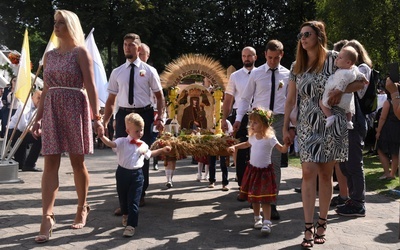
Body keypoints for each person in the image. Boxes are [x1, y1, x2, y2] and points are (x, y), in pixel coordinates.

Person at [282, 21, 364, 248]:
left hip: (331, 122)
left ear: (318, 36)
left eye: (307, 34)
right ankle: (308, 227)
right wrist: (286, 126)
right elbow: (290, 99)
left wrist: (341, 89)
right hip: (307, 124)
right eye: (300, 35)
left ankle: (322, 223)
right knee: (308, 172)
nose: (303, 38)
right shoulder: (296, 65)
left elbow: (360, 81)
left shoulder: (336, 58)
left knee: (326, 175)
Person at [31, 9, 104, 243]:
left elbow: (91, 87)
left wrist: (97, 118)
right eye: (55, 22)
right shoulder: (49, 56)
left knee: (77, 161)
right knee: (50, 161)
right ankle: (47, 216)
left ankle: (82, 206)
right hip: (52, 107)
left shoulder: (81, 52)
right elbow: (47, 90)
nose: (56, 26)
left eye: (61, 22)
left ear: (71, 26)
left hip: (75, 106)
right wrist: (38, 117)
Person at [103, 33, 165, 208]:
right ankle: (124, 199)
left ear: (138, 48)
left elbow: (160, 97)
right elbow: (110, 100)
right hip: (123, 115)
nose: (127, 47)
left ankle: (139, 194)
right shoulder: (117, 72)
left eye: (131, 45)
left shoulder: (149, 71)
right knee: (123, 155)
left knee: (141, 155)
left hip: (143, 115)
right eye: (125, 44)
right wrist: (105, 121)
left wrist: (159, 117)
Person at [233, 40, 290, 220]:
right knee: (256, 160)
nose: (273, 61)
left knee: (274, 161)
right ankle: (255, 195)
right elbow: (245, 98)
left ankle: (271, 202)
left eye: (276, 58)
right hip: (258, 119)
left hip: (278, 119)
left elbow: (291, 101)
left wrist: (292, 125)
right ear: (265, 54)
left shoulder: (287, 74)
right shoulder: (256, 73)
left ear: (282, 55)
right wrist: (238, 119)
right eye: (270, 57)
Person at [98, 113, 171, 237]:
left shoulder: (143, 144)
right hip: (122, 173)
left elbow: (150, 154)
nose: (140, 133)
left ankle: (131, 226)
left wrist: (162, 150)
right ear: (128, 130)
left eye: (141, 130)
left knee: (134, 200)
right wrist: (102, 137)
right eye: (137, 131)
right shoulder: (121, 141)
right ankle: (125, 214)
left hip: (137, 175)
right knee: (123, 198)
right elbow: (111, 144)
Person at [228, 108, 289, 235]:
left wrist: (287, 145)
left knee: (266, 199)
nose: (252, 125)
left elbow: (282, 150)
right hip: (253, 171)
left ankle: (267, 222)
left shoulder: (270, 138)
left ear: (264, 123)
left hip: (265, 172)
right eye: (251, 123)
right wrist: (235, 146)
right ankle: (257, 218)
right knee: (254, 198)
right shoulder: (253, 137)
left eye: (255, 122)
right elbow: (246, 144)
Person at [334, 40, 372, 218]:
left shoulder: (362, 69)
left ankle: (358, 203)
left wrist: (337, 89)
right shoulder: (345, 71)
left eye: (343, 54)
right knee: (344, 164)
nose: (339, 57)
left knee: (354, 163)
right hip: (345, 121)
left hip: (355, 122)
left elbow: (360, 85)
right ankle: (351, 199)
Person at [222, 46, 256, 193]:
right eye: (244, 56)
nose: (246, 58)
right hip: (239, 116)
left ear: (255, 57)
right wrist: (224, 119)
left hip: (259, 116)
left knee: (257, 149)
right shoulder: (235, 76)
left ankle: (256, 184)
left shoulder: (261, 73)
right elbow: (228, 99)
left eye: (249, 56)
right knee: (241, 151)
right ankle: (242, 185)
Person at [319, 46, 367, 129]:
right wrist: (364, 78)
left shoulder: (344, 73)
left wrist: (337, 92)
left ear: (348, 62)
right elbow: (359, 75)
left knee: (322, 102)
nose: (336, 59)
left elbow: (342, 84)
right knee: (348, 110)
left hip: (335, 93)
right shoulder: (353, 69)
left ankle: (329, 116)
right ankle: (349, 121)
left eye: (339, 58)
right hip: (347, 99)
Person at [9, 89, 42, 172]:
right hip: (14, 133)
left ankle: (29, 164)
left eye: (42, 99)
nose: (40, 101)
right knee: (20, 164)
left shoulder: (39, 109)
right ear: (32, 97)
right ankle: (28, 164)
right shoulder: (25, 106)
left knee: (21, 165)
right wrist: (34, 131)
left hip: (25, 134)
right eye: (38, 98)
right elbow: (23, 126)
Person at [139, 43, 159, 171]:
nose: (140, 57)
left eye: (142, 54)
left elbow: (158, 95)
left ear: (148, 55)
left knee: (152, 141)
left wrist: (160, 115)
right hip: (135, 111)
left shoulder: (151, 72)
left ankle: (154, 161)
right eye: (138, 54)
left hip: (151, 111)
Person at [375, 89, 400, 180]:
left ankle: (386, 172)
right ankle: (393, 173)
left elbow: (382, 118)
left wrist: (378, 131)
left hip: (388, 129)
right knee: (395, 152)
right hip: (398, 129)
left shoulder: (388, 102)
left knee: (380, 149)